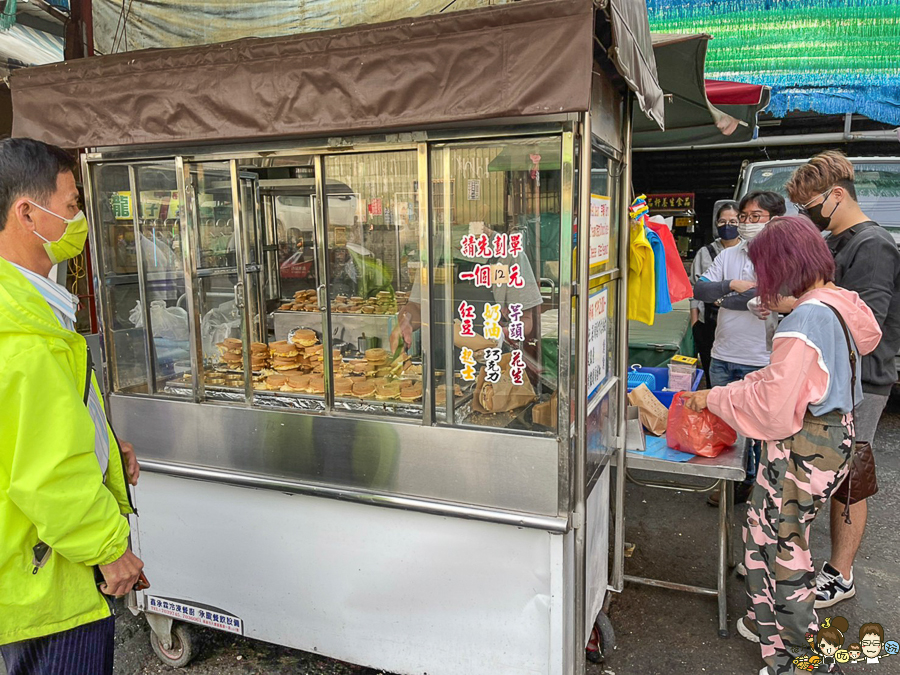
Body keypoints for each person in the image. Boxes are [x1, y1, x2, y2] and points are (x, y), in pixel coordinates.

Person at [682, 216, 882, 675]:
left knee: (784, 550)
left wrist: (714, 396)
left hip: (800, 446)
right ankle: (763, 618)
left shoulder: (803, 321)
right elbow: (865, 338)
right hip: (836, 438)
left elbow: (773, 406)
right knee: (760, 528)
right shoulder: (835, 301)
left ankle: (799, 655)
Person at [0, 138, 144, 675]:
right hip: (47, 578)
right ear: (26, 212)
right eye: (71, 204)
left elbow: (33, 431)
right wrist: (109, 547)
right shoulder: (23, 334)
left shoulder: (27, 307)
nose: (78, 218)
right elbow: (45, 474)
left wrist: (106, 445)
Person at [786, 150, 900, 610]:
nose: (807, 216)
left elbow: (866, 324)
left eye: (810, 205)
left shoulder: (872, 245)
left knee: (850, 478)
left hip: (862, 381)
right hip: (830, 378)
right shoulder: (837, 241)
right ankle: (806, 561)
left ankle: (841, 573)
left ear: (837, 195)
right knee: (824, 471)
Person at [692, 191, 785, 505]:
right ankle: (729, 482)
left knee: (758, 430)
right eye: (743, 217)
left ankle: (754, 485)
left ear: (775, 219)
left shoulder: (783, 256)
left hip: (760, 358)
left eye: (753, 217)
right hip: (722, 355)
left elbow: (779, 296)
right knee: (723, 424)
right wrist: (731, 286)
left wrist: (727, 299)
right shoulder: (729, 255)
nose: (746, 223)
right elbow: (701, 289)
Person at [690, 200, 741, 382]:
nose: (727, 226)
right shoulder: (705, 252)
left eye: (733, 222)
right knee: (712, 365)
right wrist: (695, 322)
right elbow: (694, 288)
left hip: (739, 320)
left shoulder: (749, 250)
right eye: (722, 222)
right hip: (708, 321)